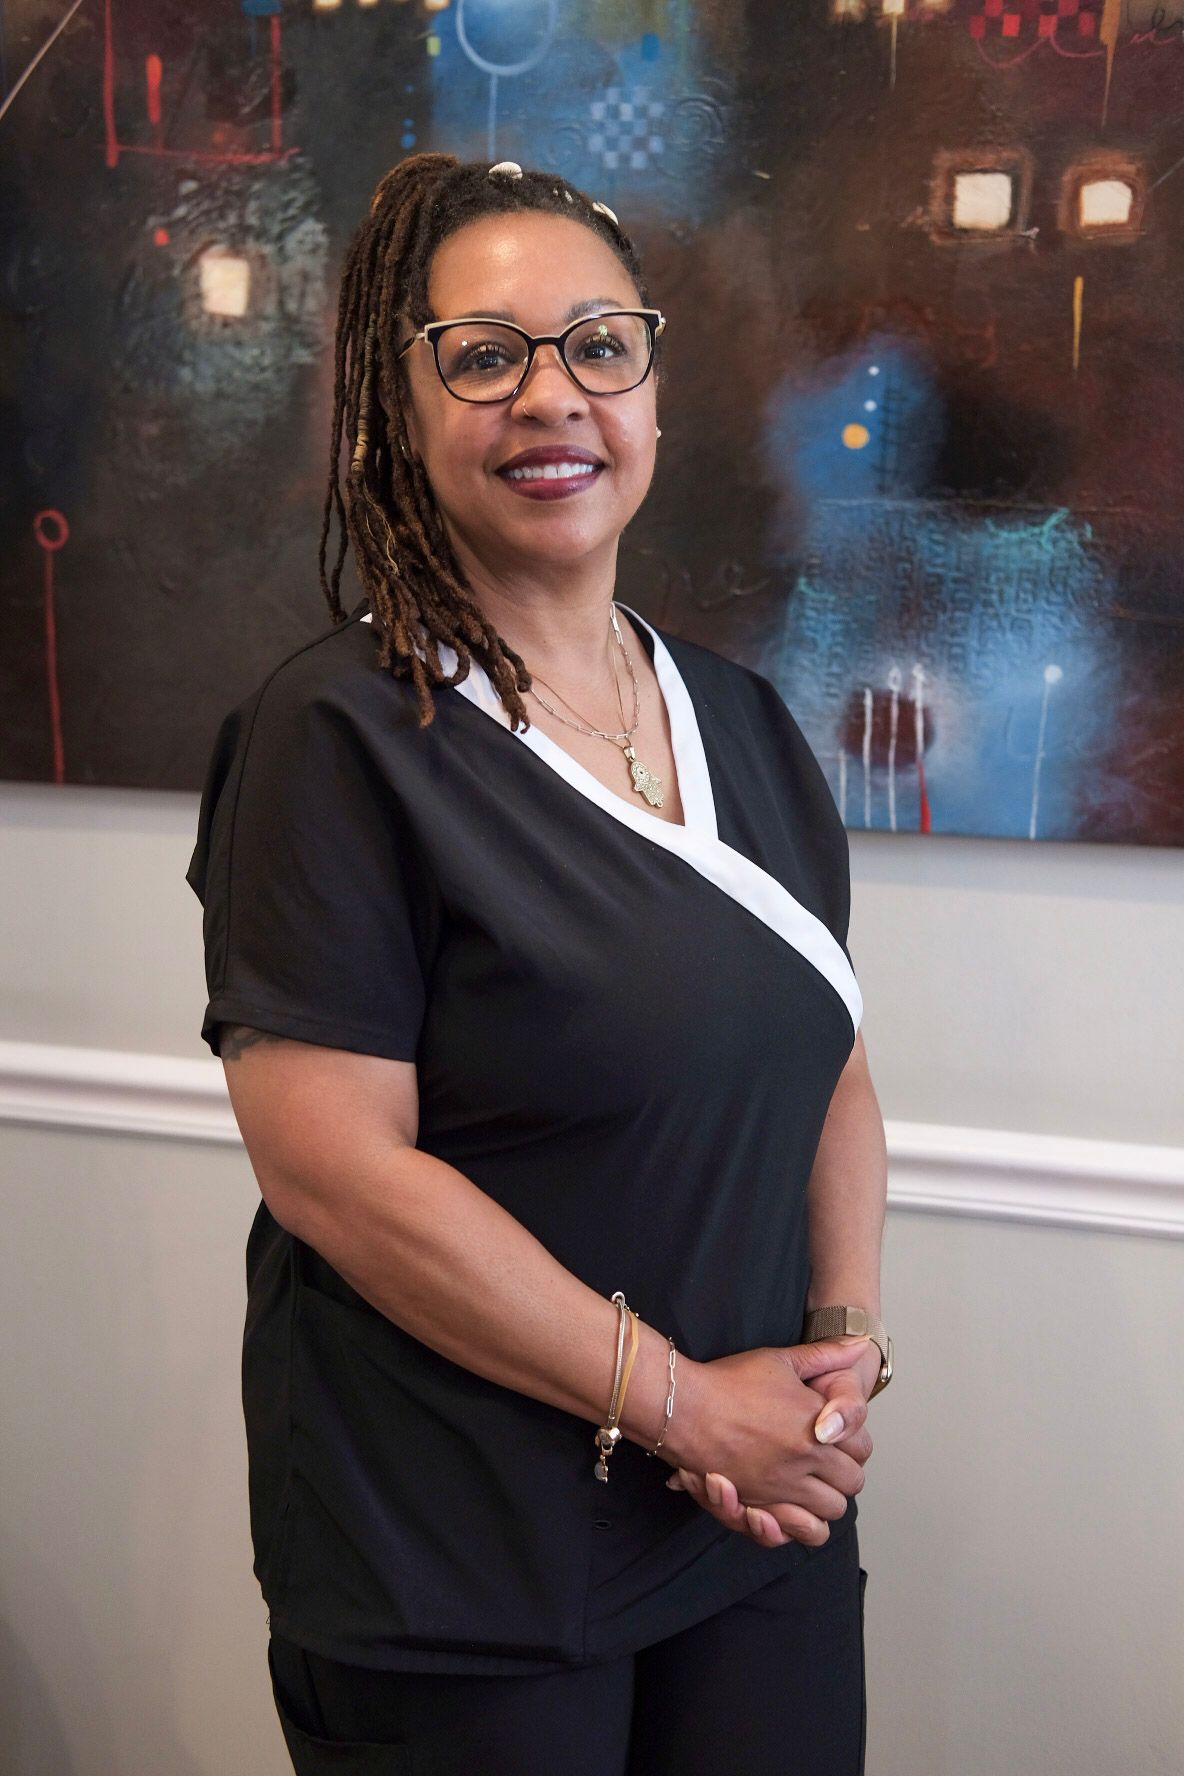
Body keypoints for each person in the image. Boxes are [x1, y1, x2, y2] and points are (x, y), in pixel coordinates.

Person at [185, 151, 892, 1776]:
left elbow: (832, 1057)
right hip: (457, 1554)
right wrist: (690, 1408)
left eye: (597, 346)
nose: (550, 398)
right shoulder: (339, 737)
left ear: (651, 387)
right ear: (398, 403)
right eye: (484, 357)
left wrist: (838, 1356)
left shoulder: (747, 724)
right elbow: (336, 1178)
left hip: (749, 1520)